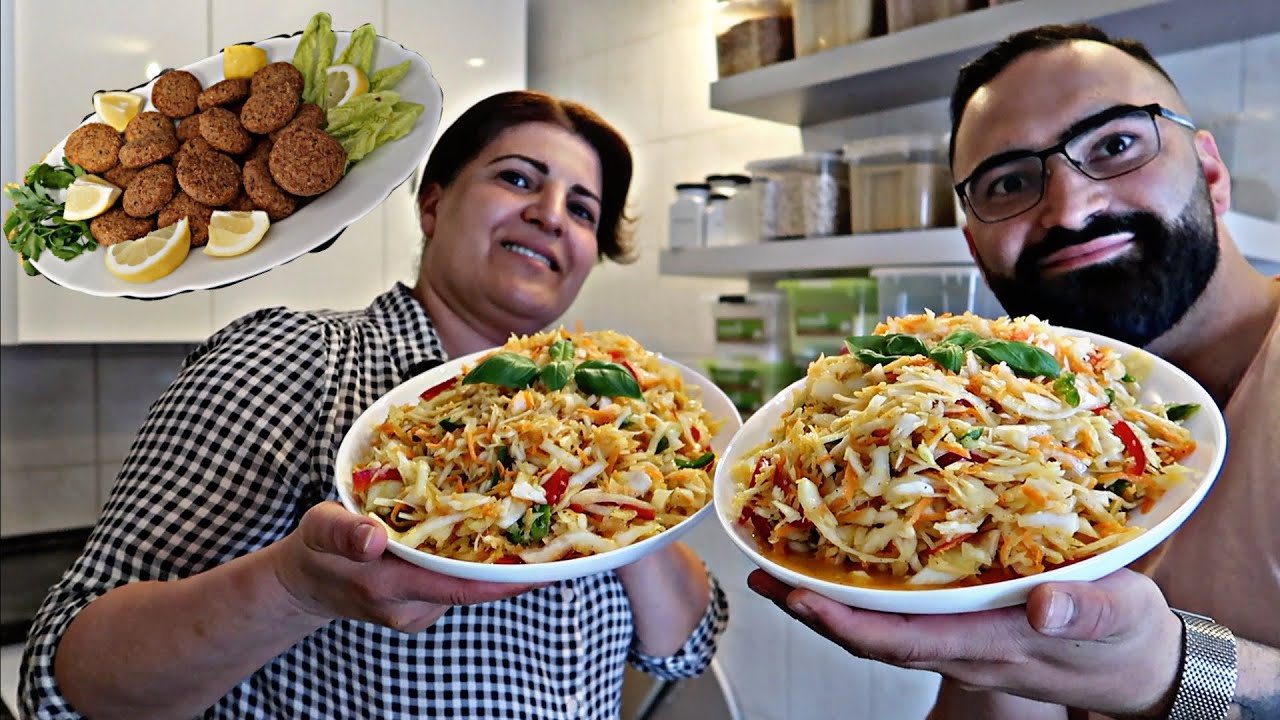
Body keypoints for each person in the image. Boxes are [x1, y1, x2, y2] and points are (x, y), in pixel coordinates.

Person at [20, 90, 729, 719]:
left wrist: (625, 488)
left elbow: (684, 648)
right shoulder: (289, 358)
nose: (550, 215)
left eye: (582, 210)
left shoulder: (615, 411)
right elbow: (65, 685)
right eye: (517, 178)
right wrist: (295, 588)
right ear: (433, 204)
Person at [748, 24, 1279, 720]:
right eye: (1010, 182)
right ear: (975, 247)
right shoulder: (1007, 443)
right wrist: (974, 651)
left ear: (1210, 170)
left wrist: (1172, 671)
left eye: (1115, 145)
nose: (1071, 209)